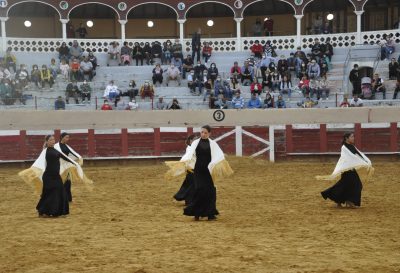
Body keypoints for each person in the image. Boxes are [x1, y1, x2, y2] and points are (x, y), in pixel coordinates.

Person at [165, 125, 233, 221]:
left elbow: (219, 156)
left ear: (209, 133)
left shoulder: (213, 144)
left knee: (210, 192)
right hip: (198, 170)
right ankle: (196, 213)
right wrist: (182, 163)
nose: (203, 134)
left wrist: (216, 165)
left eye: (205, 133)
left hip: (208, 171)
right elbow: (188, 155)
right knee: (199, 190)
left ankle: (210, 214)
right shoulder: (195, 143)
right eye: (202, 132)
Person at [18, 135, 85, 217]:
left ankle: (52, 212)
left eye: (53, 139)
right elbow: (39, 163)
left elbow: (65, 157)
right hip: (48, 176)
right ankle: (44, 211)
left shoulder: (56, 150)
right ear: (46, 141)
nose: (52, 141)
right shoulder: (45, 151)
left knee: (59, 192)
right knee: (50, 193)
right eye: (50, 140)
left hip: (56, 176)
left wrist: (75, 163)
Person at [318, 132, 373, 208]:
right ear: (346, 138)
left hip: (350, 169)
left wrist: (366, 161)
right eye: (352, 137)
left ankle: (341, 201)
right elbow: (348, 158)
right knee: (356, 184)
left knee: (344, 185)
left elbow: (358, 154)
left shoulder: (352, 146)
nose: (353, 138)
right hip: (346, 169)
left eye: (353, 136)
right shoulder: (344, 147)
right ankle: (348, 201)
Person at [54, 132, 83, 202]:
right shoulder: (56, 146)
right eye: (66, 137)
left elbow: (73, 154)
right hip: (58, 166)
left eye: (68, 137)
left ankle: (68, 199)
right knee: (59, 183)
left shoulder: (66, 146)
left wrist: (79, 158)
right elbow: (61, 156)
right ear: (62, 137)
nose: (68, 139)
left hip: (66, 166)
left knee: (68, 183)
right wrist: (73, 162)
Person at [173, 135, 196, 205]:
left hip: (193, 169)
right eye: (194, 140)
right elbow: (186, 157)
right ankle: (187, 200)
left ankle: (181, 197)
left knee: (188, 184)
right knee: (192, 185)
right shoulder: (191, 148)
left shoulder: (192, 148)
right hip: (192, 169)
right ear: (190, 141)